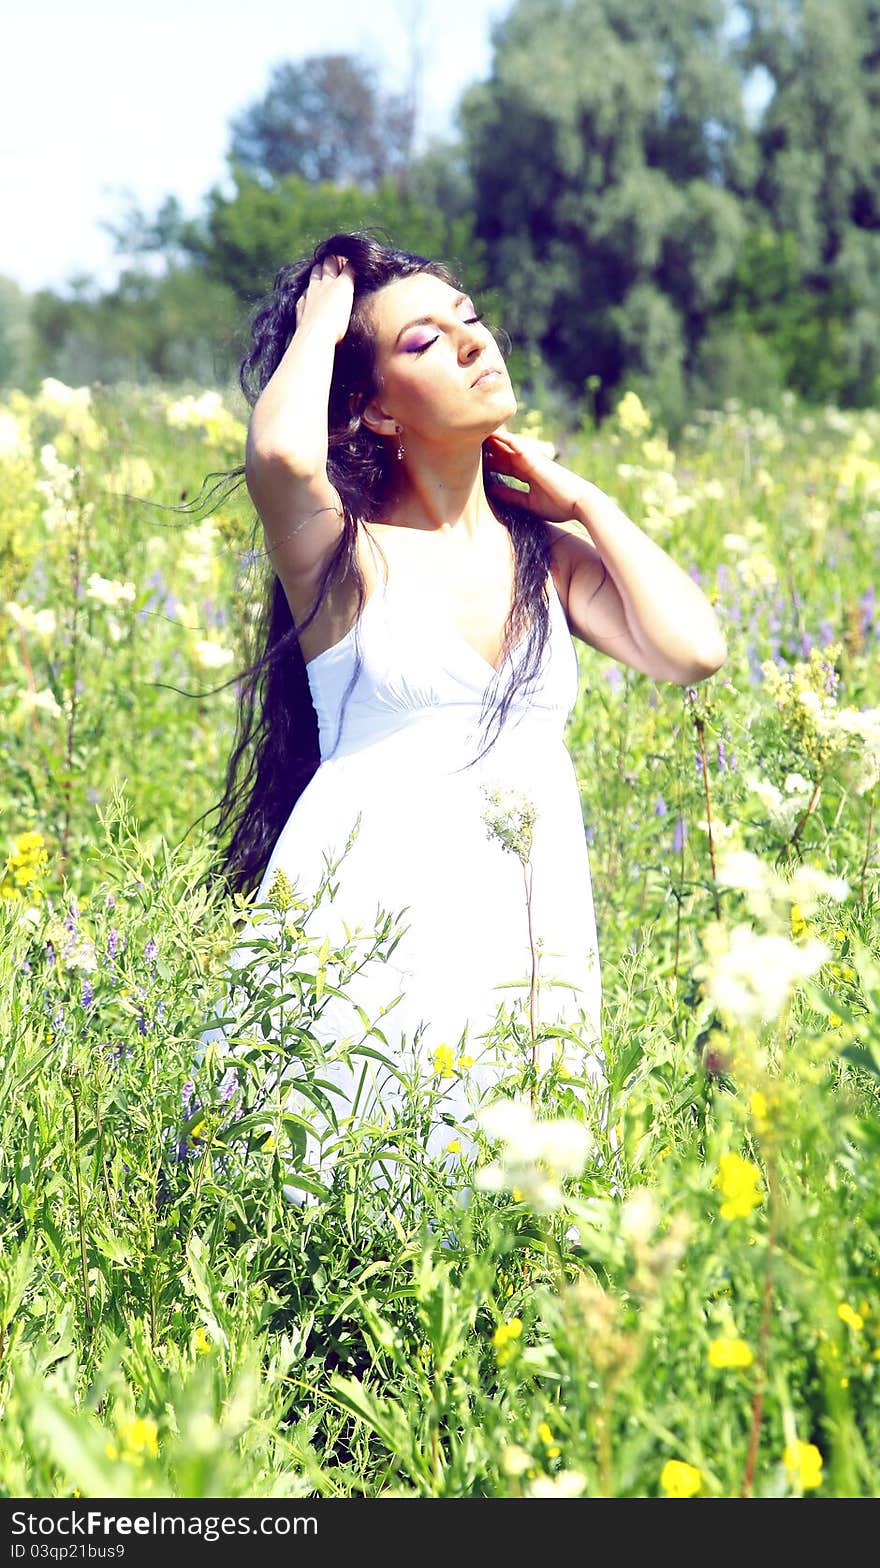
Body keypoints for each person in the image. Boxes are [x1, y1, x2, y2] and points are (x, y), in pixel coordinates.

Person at [200, 231, 726, 1194]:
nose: (476, 345)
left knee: (509, 1243)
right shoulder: (344, 556)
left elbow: (693, 650)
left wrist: (586, 504)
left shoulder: (546, 559)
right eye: (424, 343)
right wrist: (330, 294)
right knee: (332, 1227)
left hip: (521, 938)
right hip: (363, 946)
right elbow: (280, 448)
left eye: (473, 322)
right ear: (371, 410)